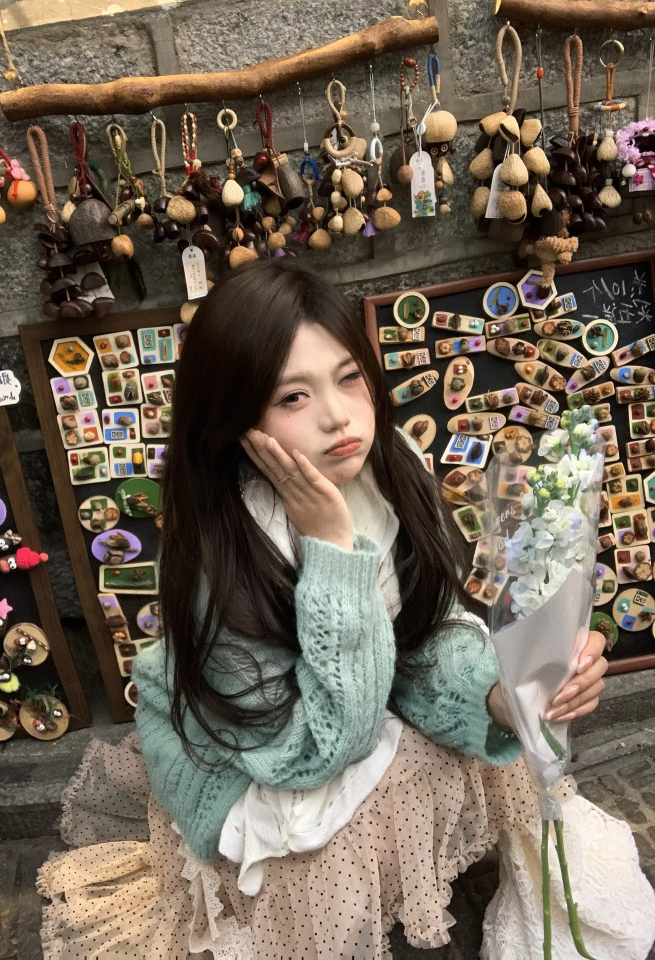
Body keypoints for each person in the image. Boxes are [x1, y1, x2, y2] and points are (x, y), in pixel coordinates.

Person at [39, 259, 653, 960]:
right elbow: (322, 748)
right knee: (350, 827)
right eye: (293, 396)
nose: (337, 416)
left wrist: (500, 695)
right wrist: (332, 551)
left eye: (349, 377)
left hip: (350, 692)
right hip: (268, 751)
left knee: (487, 738)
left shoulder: (387, 465)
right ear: (234, 418)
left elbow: (424, 632)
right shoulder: (224, 549)